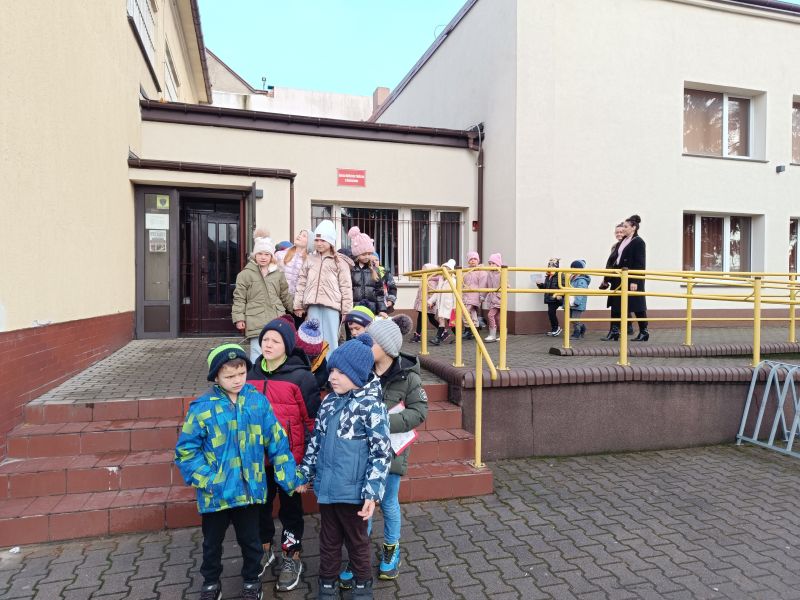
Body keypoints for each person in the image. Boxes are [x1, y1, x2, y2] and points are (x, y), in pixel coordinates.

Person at [175, 343, 302, 600]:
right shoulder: (202, 408)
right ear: (216, 377)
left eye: (242, 373)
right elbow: (186, 451)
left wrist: (290, 478)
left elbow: (277, 442)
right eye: (229, 376)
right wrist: (209, 480)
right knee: (212, 543)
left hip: (249, 490)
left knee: (251, 541)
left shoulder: (257, 402)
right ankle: (211, 582)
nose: (237, 380)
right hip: (216, 494)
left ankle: (252, 581)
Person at [296, 334, 391, 600]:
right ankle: (327, 584)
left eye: (340, 372)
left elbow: (381, 453)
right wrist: (305, 473)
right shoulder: (328, 402)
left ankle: (362, 586)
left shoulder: (372, 407)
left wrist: (372, 493)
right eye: (331, 371)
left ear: (358, 374)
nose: (332, 377)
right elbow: (316, 442)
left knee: (358, 543)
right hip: (328, 489)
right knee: (328, 541)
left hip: (354, 493)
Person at [338, 317, 426, 588]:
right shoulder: (361, 371)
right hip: (362, 452)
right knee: (362, 506)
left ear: (386, 347)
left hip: (391, 453)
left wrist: (383, 421)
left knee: (387, 502)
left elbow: (419, 412)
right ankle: (359, 554)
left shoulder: (409, 376)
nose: (365, 344)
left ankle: (391, 547)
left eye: (371, 341)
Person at [246, 318, 320, 593]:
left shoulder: (302, 377)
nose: (268, 344)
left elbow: (312, 423)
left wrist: (307, 465)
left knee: (290, 511)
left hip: (290, 458)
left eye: (275, 341)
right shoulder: (250, 374)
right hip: (258, 459)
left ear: (287, 346)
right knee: (260, 507)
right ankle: (265, 550)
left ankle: (291, 556)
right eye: (265, 339)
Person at [232, 230, 294, 362]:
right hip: (255, 319)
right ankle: (257, 373)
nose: (263, 257)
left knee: (276, 350)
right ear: (255, 255)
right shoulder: (245, 274)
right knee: (257, 352)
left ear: (271, 256)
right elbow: (239, 298)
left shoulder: (278, 273)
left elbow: (284, 295)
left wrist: (296, 308)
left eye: (267, 254)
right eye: (260, 253)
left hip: (276, 318)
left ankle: (274, 374)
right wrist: (239, 318)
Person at [293, 220, 353, 351]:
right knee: (312, 338)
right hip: (313, 305)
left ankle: (330, 362)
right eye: (316, 240)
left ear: (330, 242)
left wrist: (346, 310)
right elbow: (301, 282)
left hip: (331, 306)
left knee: (330, 339)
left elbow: (346, 287)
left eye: (323, 240)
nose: (319, 243)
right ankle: (314, 363)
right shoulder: (310, 259)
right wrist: (298, 304)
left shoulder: (339, 262)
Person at [617, 215, 649, 341]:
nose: (623, 229)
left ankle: (644, 331)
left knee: (637, 305)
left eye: (626, 227)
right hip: (623, 278)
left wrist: (635, 280)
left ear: (633, 228)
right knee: (626, 304)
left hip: (633, 279)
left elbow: (640, 263)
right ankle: (626, 329)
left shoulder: (638, 242)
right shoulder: (624, 240)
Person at [348, 227, 389, 316]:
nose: (367, 256)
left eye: (369, 254)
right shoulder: (350, 268)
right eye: (363, 254)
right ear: (357, 254)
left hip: (371, 309)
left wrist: (382, 310)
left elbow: (379, 292)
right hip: (354, 309)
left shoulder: (375, 269)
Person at [296, 318, 330, 393]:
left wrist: (311, 385)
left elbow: (323, 373)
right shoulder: (289, 351)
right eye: (306, 355)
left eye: (313, 356)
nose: (309, 358)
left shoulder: (320, 355)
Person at [428, 259, 456, 346]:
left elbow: (456, 295)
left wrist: (455, 306)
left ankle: (458, 337)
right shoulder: (441, 280)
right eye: (443, 269)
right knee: (441, 322)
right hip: (441, 305)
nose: (444, 271)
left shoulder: (453, 281)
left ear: (450, 271)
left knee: (451, 323)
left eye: (447, 269)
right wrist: (431, 301)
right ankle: (437, 339)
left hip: (449, 305)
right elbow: (437, 292)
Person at [411, 263, 439, 343]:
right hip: (423, 303)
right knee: (424, 318)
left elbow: (432, 293)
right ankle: (417, 335)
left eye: (425, 270)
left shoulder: (432, 281)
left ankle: (443, 331)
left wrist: (432, 303)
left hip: (428, 304)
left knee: (430, 319)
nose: (422, 271)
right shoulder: (425, 279)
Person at [462, 251, 487, 339]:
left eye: (475, 259)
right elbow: (462, 283)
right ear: (468, 261)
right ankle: (475, 330)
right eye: (471, 259)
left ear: (478, 260)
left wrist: (482, 296)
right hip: (466, 295)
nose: (473, 261)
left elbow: (483, 284)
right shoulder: (465, 271)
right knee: (472, 313)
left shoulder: (481, 271)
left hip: (475, 295)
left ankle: (468, 329)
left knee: (464, 312)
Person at [538, 258, 565, 336]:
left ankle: (556, 328)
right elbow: (545, 288)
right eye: (549, 265)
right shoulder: (548, 276)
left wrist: (560, 294)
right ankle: (554, 329)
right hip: (550, 298)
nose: (550, 267)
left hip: (556, 298)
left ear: (556, 266)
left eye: (552, 265)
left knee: (551, 312)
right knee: (551, 313)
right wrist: (540, 284)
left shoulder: (560, 275)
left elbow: (564, 286)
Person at [568, 260, 591, 339]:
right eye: (572, 267)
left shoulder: (581, 280)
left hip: (577, 303)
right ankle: (582, 326)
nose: (572, 269)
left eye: (574, 268)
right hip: (571, 301)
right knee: (571, 319)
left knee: (575, 319)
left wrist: (577, 302)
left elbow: (580, 292)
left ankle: (577, 333)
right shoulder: (572, 278)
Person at [484, 254, 502, 342]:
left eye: (493, 263)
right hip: (492, 299)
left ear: (498, 264)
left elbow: (506, 284)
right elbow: (487, 286)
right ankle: (502, 335)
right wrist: (483, 296)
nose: (491, 265)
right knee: (498, 318)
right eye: (490, 263)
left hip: (499, 299)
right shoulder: (489, 274)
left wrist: (499, 295)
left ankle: (492, 334)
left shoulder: (501, 272)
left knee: (490, 315)